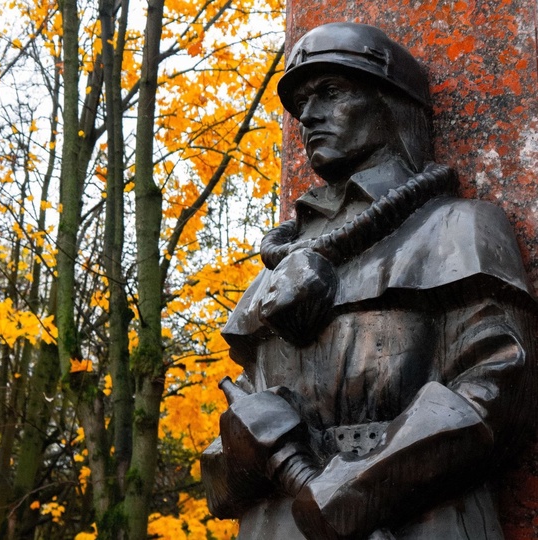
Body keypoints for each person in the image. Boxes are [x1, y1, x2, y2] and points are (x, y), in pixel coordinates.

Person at [201, 22, 537, 540]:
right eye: (301, 103)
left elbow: (497, 388)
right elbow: (229, 458)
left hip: (418, 521)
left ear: (391, 103)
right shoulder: (278, 266)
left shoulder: (457, 228)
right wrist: (236, 453)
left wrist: (359, 488)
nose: (307, 117)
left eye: (331, 93)